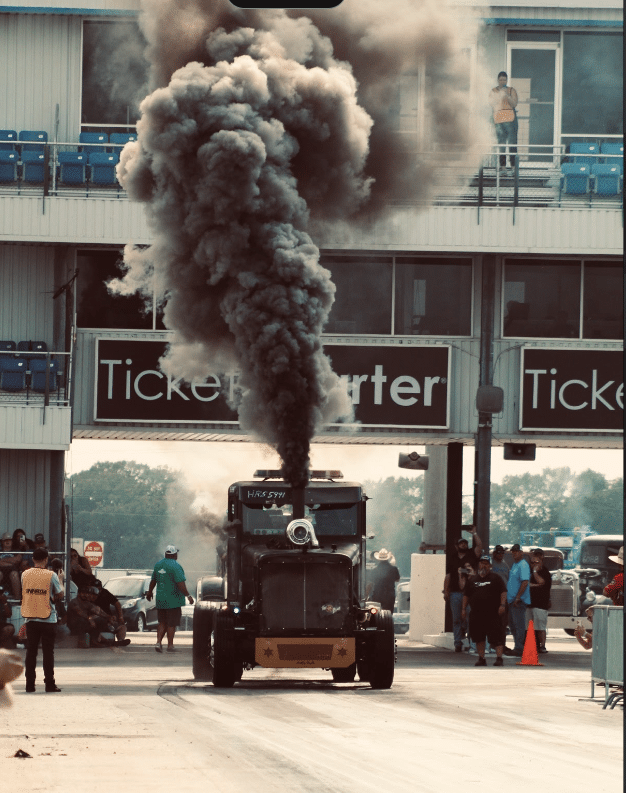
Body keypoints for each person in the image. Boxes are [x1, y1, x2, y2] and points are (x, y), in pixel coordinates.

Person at [20, 547, 63, 692]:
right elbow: (60, 594)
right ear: (46, 559)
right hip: (48, 618)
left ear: (33, 559)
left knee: (31, 651)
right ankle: (49, 684)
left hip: (30, 617)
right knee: (47, 652)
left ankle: (29, 684)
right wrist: (61, 580)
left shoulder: (25, 574)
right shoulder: (51, 575)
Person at [146, 544, 194, 653]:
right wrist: (188, 596)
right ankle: (170, 646)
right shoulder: (176, 566)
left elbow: (153, 580)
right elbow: (180, 584)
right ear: (174, 554)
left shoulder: (158, 565)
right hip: (173, 601)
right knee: (171, 623)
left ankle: (158, 642)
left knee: (162, 622)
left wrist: (149, 592)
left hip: (161, 600)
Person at [461, 556, 507, 666]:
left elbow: (503, 592)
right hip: (476, 614)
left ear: (490, 566)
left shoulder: (496, 578)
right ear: (478, 565)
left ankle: (499, 658)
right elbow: (466, 595)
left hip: (493, 613)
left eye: (486, 563)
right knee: (479, 637)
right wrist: (463, 609)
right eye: (482, 563)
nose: (484, 565)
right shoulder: (472, 580)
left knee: (497, 637)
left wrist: (502, 605)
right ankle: (481, 658)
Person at [443, 527, 483, 652]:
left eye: (465, 543)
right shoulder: (453, 558)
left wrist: (475, 533)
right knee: (456, 618)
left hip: (470, 592)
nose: (463, 545)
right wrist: (446, 590)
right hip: (455, 592)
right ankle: (457, 642)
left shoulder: (472, 554)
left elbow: (480, 546)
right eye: (461, 543)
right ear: (456, 546)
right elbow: (448, 575)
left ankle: (472, 643)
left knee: (470, 617)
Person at [489, 71, 518, 172]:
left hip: (510, 121)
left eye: (504, 79)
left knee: (512, 143)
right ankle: (503, 167)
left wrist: (507, 95)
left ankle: (514, 167)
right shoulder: (493, 91)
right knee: (501, 144)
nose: (502, 81)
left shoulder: (511, 90)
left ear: (507, 80)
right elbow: (491, 104)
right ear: (498, 80)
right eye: (500, 79)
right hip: (499, 121)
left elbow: (514, 104)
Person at [506, 543, 531, 656]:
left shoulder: (523, 565)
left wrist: (518, 597)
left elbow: (525, 582)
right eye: (513, 552)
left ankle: (520, 648)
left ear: (521, 553)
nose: (514, 553)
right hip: (511, 601)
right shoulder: (515, 565)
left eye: (516, 551)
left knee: (518, 625)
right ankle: (517, 646)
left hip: (518, 601)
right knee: (513, 625)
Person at [527, 548, 552, 654]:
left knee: (540, 627)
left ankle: (542, 646)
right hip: (530, 603)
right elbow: (527, 584)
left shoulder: (545, 572)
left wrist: (535, 571)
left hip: (541, 604)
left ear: (542, 558)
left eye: (538, 558)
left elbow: (541, 581)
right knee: (529, 627)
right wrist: (535, 585)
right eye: (533, 561)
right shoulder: (528, 571)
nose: (534, 563)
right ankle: (532, 645)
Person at [93, 580, 130, 646]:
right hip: (98, 619)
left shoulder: (105, 593)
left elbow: (117, 603)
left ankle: (120, 641)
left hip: (108, 619)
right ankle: (107, 641)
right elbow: (97, 611)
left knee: (122, 626)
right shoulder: (89, 599)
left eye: (99, 590)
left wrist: (120, 617)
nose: (97, 593)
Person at [0, 532, 22, 599]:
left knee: (14, 574)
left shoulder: (16, 550)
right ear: (2, 542)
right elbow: (14, 561)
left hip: (12, 570)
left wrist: (3, 560)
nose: (7, 542)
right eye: (5, 540)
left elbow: (18, 560)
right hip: (1, 570)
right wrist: (11, 561)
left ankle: (17, 599)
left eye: (9, 540)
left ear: (12, 541)